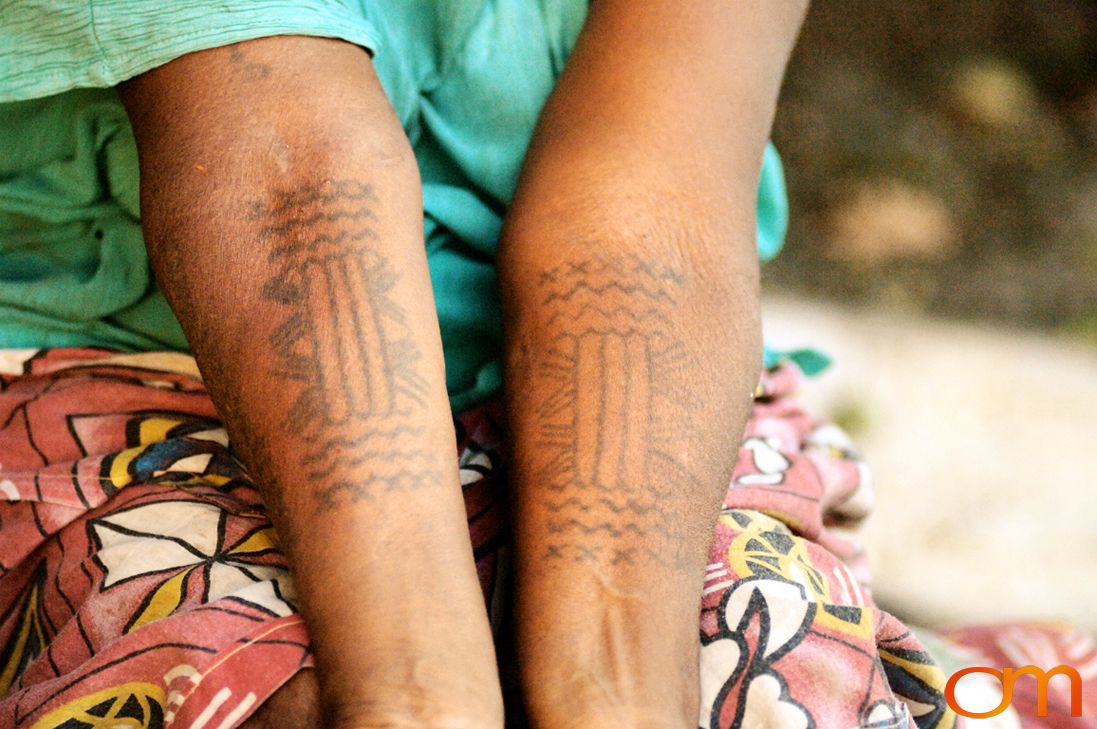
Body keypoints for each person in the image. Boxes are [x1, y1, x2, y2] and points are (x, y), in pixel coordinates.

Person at [1, 2, 1093, 728]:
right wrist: (413, 702)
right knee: (246, 691)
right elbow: (283, 160)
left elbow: (652, 190)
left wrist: (616, 695)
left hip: (625, 380)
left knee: (760, 681)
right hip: (135, 363)